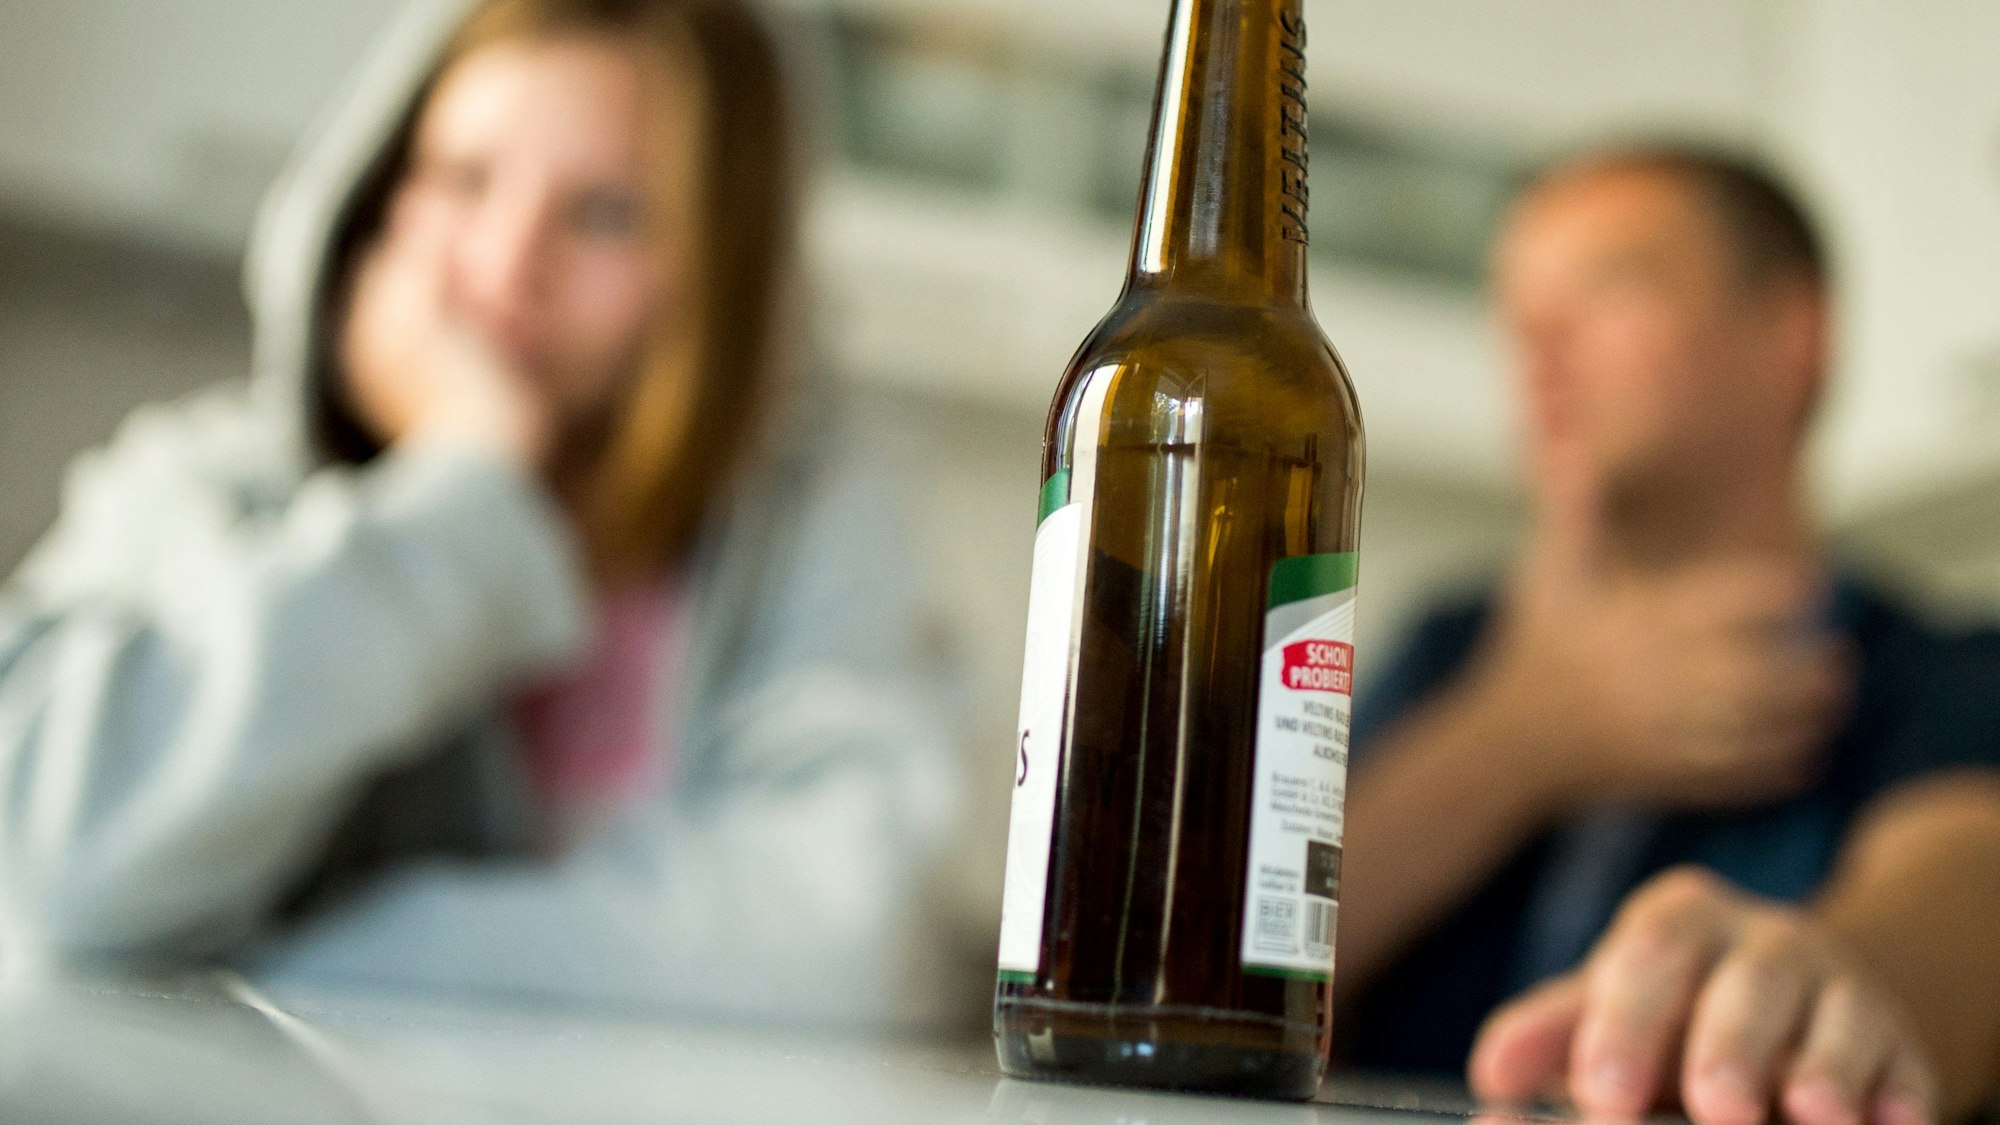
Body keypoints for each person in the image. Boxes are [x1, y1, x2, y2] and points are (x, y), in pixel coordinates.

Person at [0, 0, 960, 1029]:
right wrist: (463, 492)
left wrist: (318, 950)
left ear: (715, 270)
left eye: (603, 214)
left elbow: (851, 943)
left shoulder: (810, 528)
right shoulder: (212, 486)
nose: (506, 268)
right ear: (381, 197)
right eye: (461, 178)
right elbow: (44, 865)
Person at [1336, 145, 2000, 1125]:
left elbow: (1962, 906)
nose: (1536, 343)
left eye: (1607, 285)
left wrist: (1822, 996)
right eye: (1514, 308)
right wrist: (1529, 736)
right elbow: (1218, 962)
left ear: (1789, 334)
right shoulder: (1450, 650)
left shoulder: (1939, 674)